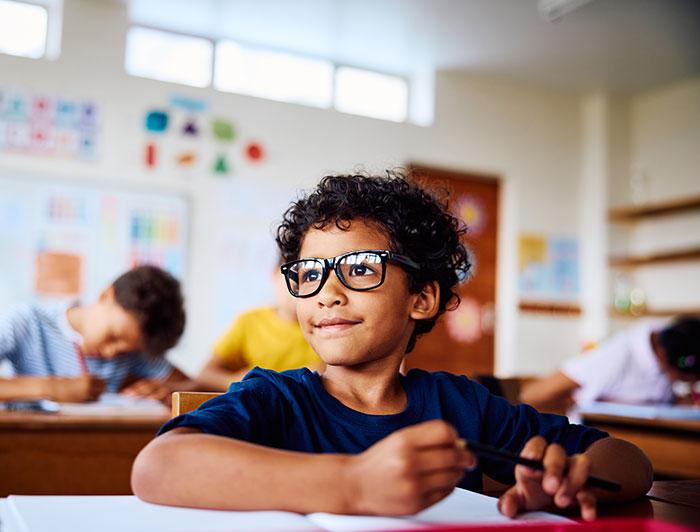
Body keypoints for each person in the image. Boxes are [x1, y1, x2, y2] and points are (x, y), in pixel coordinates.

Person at [132, 172, 652, 520]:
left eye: (359, 269)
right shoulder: (275, 397)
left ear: (422, 299)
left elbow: (631, 462)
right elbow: (157, 467)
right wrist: (353, 483)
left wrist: (571, 481)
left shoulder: (460, 405)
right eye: (308, 274)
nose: (326, 293)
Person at [0, 265, 189, 402]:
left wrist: (169, 389)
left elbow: (190, 387)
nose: (111, 353)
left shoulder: (132, 349)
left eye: (126, 351)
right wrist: (50, 388)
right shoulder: (25, 322)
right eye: (113, 336)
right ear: (105, 296)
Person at [520, 317, 700, 412]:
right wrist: (577, 403)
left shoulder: (672, 341)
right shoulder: (616, 357)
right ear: (665, 357)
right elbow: (532, 395)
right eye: (689, 379)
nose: (689, 383)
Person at [196, 261, 321, 391]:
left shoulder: (325, 329)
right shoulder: (249, 322)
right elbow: (205, 375)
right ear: (275, 274)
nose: (298, 287)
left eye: (309, 278)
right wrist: (237, 381)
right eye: (293, 276)